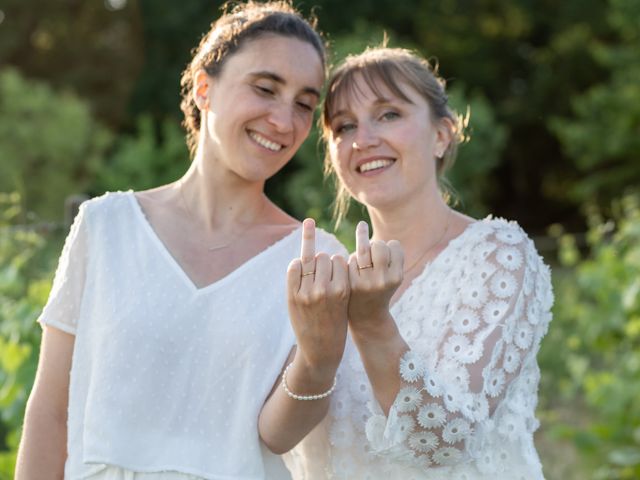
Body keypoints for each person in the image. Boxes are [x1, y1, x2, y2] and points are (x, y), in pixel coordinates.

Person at [15, 2, 348, 479]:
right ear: (204, 88)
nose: (283, 119)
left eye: (303, 104)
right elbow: (50, 410)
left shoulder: (316, 260)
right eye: (265, 88)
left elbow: (283, 436)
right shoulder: (105, 227)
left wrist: (320, 358)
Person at [283, 47, 554, 479]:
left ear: (442, 134)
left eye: (388, 114)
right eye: (345, 125)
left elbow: (449, 443)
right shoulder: (323, 282)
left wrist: (372, 324)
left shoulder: (498, 256)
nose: (363, 139)